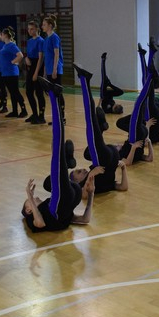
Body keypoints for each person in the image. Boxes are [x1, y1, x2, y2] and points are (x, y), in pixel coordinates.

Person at [22, 78, 96, 232]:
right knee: (57, 147)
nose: (33, 199)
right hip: (61, 203)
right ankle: (53, 94)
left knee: (57, 152)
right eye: (28, 203)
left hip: (70, 196)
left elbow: (84, 219)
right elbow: (40, 223)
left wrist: (89, 196)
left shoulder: (44, 205)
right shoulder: (31, 218)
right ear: (29, 210)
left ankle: (66, 163)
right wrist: (91, 195)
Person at [72, 64, 129, 194]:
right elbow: (123, 187)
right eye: (79, 172)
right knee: (90, 119)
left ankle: (101, 129)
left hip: (109, 155)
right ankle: (84, 79)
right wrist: (123, 168)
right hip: (106, 159)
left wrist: (92, 172)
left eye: (79, 170)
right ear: (77, 181)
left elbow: (122, 188)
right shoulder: (83, 185)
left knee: (88, 151)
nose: (83, 170)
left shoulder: (92, 180)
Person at [39, 15, 65, 120]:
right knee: (52, 95)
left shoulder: (54, 37)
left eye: (44, 25)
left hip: (56, 69)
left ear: (50, 25)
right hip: (49, 70)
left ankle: (62, 117)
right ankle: (56, 117)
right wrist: (45, 72)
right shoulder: (46, 39)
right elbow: (46, 57)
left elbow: (56, 54)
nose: (42, 26)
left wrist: (55, 69)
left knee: (58, 93)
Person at [0, 27, 27, 118]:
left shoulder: (11, 45)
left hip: (11, 73)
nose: (1, 36)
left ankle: (24, 110)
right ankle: (15, 111)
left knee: (15, 92)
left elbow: (20, 55)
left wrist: (12, 62)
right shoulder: (5, 45)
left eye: (2, 34)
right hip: (6, 73)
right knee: (12, 92)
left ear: (5, 35)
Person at [24, 19, 47, 124]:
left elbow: (40, 58)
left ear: (37, 29)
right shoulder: (29, 41)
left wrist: (36, 73)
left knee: (39, 92)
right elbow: (28, 54)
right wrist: (26, 58)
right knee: (28, 91)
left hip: (38, 67)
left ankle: (41, 116)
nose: (29, 31)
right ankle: (34, 114)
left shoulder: (40, 41)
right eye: (28, 29)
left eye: (32, 29)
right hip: (31, 66)